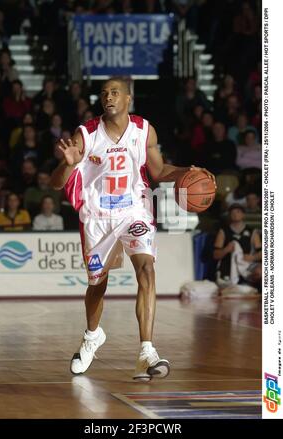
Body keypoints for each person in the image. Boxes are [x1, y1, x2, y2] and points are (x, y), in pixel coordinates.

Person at [50, 76, 215, 381]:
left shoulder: (143, 131)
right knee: (98, 285)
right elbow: (56, 183)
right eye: (104, 93)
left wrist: (184, 172)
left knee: (147, 270)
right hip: (98, 217)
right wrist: (68, 164)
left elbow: (157, 171)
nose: (108, 97)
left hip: (134, 210)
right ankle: (92, 335)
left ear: (128, 99)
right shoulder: (86, 135)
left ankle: (146, 352)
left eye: (115, 92)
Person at [213, 203, 262, 289]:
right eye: (232, 213)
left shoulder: (252, 232)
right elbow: (215, 255)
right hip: (229, 265)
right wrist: (226, 250)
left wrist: (253, 257)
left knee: (261, 271)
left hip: (247, 265)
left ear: (243, 214)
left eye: (238, 212)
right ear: (229, 215)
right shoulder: (223, 232)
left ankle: (251, 285)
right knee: (225, 287)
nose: (235, 214)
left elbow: (262, 253)